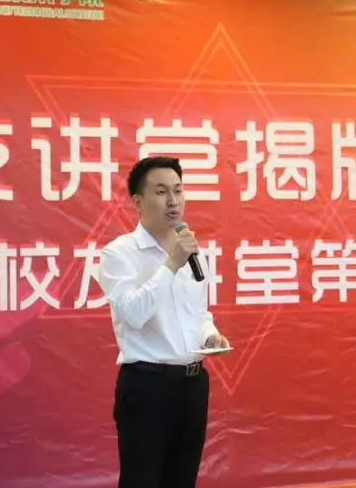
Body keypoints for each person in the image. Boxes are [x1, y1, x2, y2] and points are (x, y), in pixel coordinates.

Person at [98, 156, 230, 488]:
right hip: (147, 386)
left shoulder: (191, 251)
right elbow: (133, 314)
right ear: (137, 202)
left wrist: (210, 335)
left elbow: (198, 314)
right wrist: (171, 264)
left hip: (193, 384)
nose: (173, 200)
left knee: (182, 480)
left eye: (178, 190)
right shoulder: (119, 253)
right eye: (161, 192)